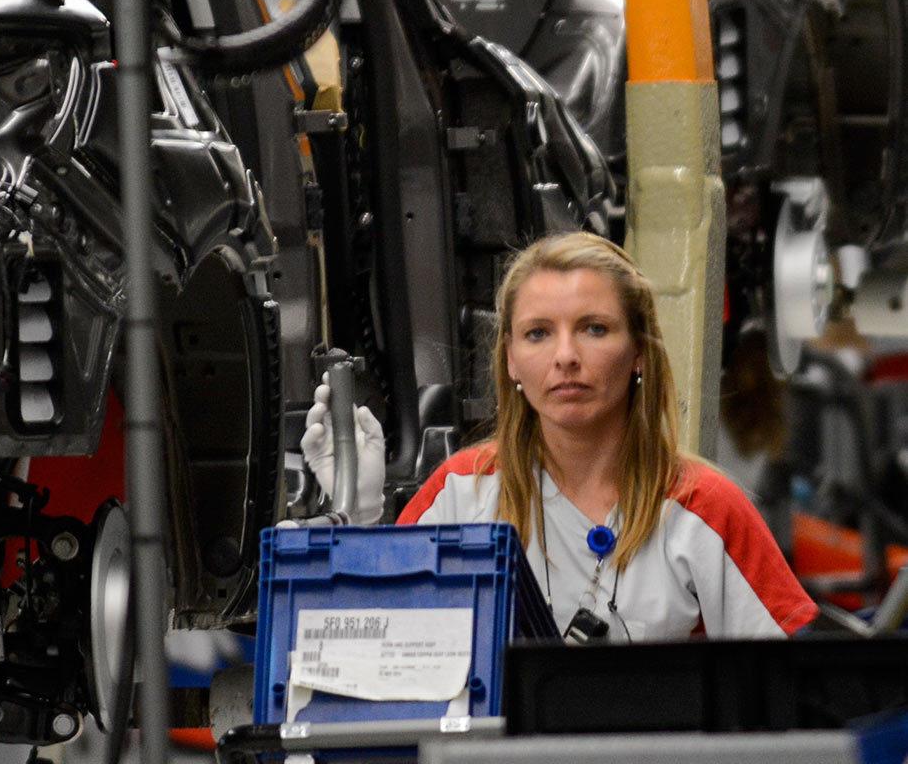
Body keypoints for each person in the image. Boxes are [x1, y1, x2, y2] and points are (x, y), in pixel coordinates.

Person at [302, 231, 817, 641]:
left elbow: (786, 695)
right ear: (510, 360)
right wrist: (360, 512)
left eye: (594, 328)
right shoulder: (462, 491)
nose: (565, 356)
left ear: (638, 352)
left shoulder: (703, 507)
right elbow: (371, 651)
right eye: (538, 333)